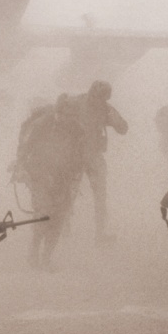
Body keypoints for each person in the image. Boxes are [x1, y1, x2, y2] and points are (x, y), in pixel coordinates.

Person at [11, 94, 84, 270]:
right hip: (40, 174)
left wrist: (75, 178)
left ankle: (46, 258)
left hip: (64, 178)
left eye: (73, 115)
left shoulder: (77, 129)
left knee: (59, 218)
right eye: (67, 114)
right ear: (59, 112)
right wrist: (20, 167)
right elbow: (25, 148)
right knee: (43, 214)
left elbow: (80, 156)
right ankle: (34, 252)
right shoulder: (42, 125)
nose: (70, 119)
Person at [73, 80, 128, 243]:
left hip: (93, 155)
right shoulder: (77, 104)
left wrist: (113, 118)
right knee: (68, 192)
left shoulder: (105, 109)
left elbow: (123, 128)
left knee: (100, 195)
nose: (99, 101)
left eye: (103, 98)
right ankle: (62, 227)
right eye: (98, 97)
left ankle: (100, 233)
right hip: (74, 156)